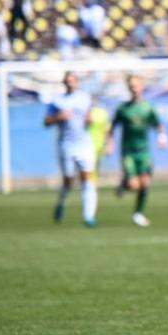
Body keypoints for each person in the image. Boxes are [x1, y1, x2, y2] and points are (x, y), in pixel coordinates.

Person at [107, 75, 168, 227]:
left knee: (145, 183)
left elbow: (158, 124)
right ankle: (124, 184)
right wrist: (109, 143)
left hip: (144, 150)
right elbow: (112, 127)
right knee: (134, 185)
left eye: (136, 85)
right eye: (131, 86)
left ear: (141, 86)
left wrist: (162, 136)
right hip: (128, 151)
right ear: (128, 88)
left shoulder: (148, 108)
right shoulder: (123, 109)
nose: (134, 88)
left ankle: (138, 214)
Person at [44, 71, 99, 227]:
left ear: (77, 82)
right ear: (64, 83)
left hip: (85, 144)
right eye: (67, 81)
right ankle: (61, 202)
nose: (70, 83)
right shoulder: (58, 101)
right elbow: (46, 122)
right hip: (67, 145)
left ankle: (89, 217)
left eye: (73, 80)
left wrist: (90, 119)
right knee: (69, 181)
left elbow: (90, 116)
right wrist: (57, 118)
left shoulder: (86, 98)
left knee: (87, 179)